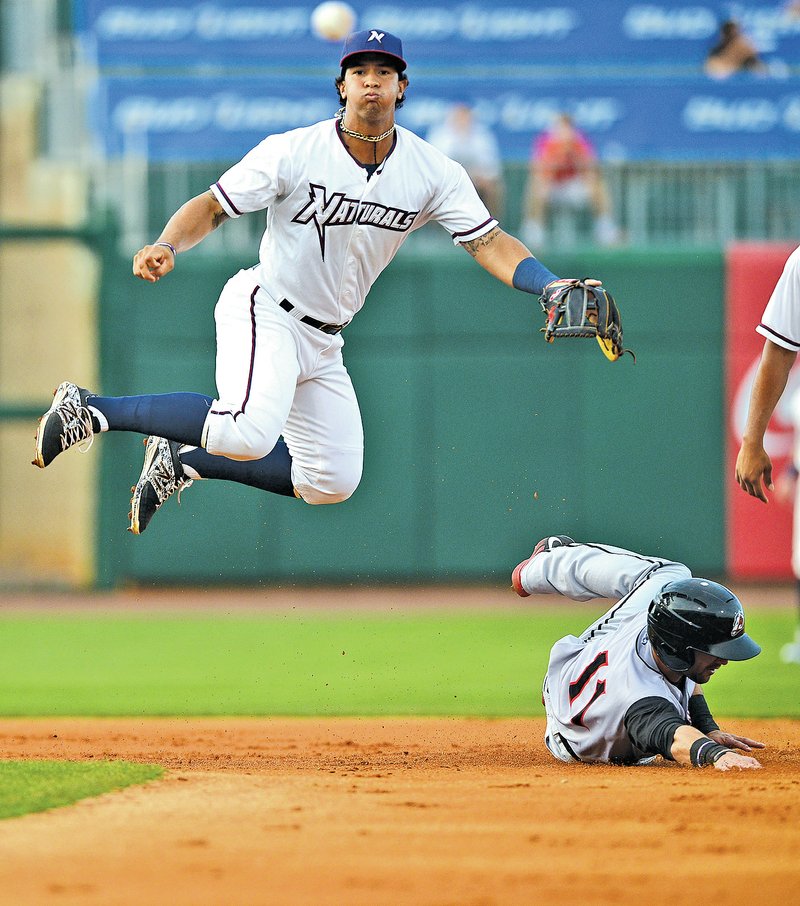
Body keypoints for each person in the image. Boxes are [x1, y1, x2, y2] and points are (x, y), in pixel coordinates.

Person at [32, 29, 604, 534]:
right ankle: (89, 408)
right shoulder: (294, 151)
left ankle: (184, 461)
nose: (372, 83)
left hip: (326, 338)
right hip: (267, 308)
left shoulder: (434, 172)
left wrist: (547, 285)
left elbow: (491, 242)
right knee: (250, 433)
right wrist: (165, 244)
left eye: (385, 72)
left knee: (332, 480)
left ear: (402, 88)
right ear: (342, 87)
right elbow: (212, 205)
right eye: (360, 72)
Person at [512, 535, 764, 769]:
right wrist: (716, 754)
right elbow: (675, 738)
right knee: (673, 579)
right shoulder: (641, 700)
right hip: (572, 735)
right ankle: (547, 562)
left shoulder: (665, 640)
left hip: (587, 665)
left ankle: (544, 565)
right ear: (679, 649)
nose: (725, 659)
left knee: (672, 582)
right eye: (716, 651)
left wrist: (707, 727)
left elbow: (689, 669)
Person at [521, 112, 619, 250]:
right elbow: (538, 169)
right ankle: (535, 232)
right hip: (553, 188)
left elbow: (591, 167)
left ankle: (605, 230)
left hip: (573, 187)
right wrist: (558, 156)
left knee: (598, 185)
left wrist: (573, 153)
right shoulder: (547, 142)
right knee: (536, 185)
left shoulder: (579, 141)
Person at [425, 102, 504, 219]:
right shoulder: (439, 135)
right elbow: (432, 165)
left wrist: (479, 176)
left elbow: (491, 168)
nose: (462, 120)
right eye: (459, 117)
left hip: (474, 180)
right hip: (445, 180)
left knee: (492, 186)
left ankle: (491, 226)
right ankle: (429, 232)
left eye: (465, 117)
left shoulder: (482, 136)